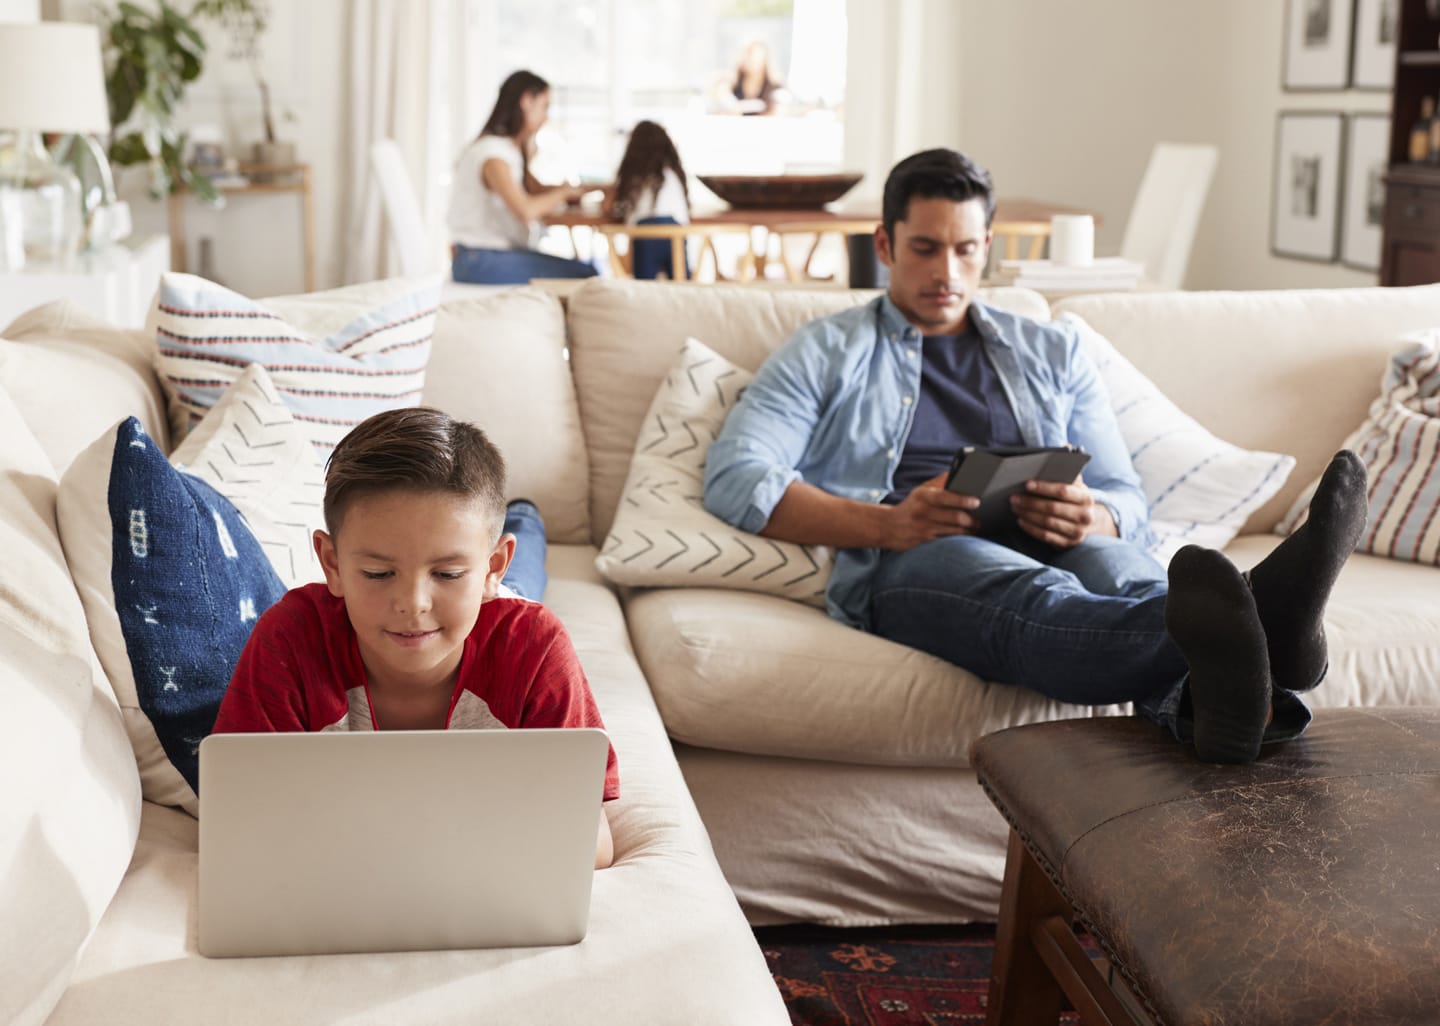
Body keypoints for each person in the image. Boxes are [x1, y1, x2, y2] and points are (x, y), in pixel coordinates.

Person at [703, 147, 1368, 765]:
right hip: (917, 555)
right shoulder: (825, 348)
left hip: (1057, 539)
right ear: (885, 244)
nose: (946, 273)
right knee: (1035, 598)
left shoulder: (1053, 351)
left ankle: (1223, 711)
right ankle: (1271, 629)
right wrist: (888, 523)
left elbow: (1124, 496)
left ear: (987, 247)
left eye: (965, 251)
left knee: (1129, 575)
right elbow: (739, 477)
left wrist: (1093, 517)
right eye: (925, 250)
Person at [214, 407, 618, 868]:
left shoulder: (535, 643)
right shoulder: (287, 638)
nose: (413, 602)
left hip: (496, 608)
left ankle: (526, 519)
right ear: (331, 564)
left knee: (525, 584)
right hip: (470, 606)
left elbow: (595, 843)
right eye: (378, 573)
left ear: (492, 567)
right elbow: (238, 819)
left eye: (447, 572)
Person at [447, 69, 598, 285]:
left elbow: (533, 190)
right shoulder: (492, 155)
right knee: (585, 274)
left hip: (485, 257)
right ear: (527, 101)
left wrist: (567, 191)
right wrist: (563, 192)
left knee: (585, 270)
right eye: (544, 106)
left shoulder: (506, 149)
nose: (546, 117)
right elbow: (526, 210)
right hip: (479, 259)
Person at [607, 120, 691, 280]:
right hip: (676, 234)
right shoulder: (673, 174)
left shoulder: (634, 178)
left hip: (645, 235)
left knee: (644, 289)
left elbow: (614, 208)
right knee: (681, 285)